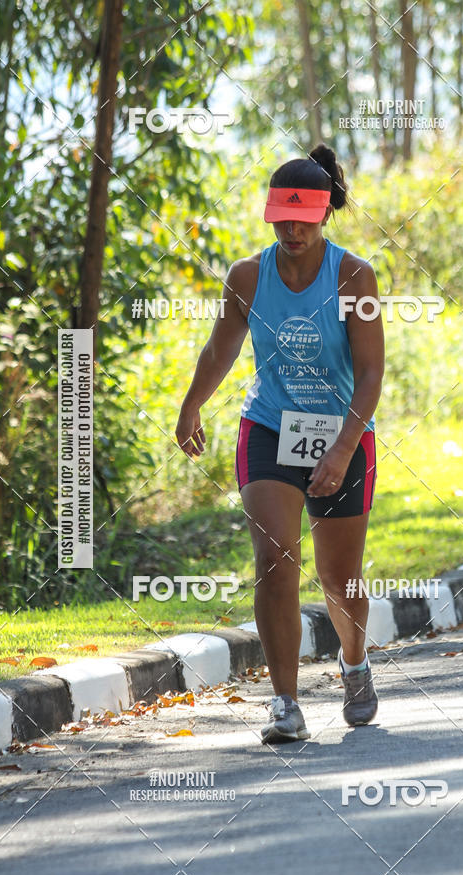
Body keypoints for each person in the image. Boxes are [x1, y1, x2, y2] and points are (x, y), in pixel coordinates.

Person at [175, 143, 385, 743]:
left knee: (340, 581)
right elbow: (220, 349)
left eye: (304, 219)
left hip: (342, 431)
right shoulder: (247, 276)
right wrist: (191, 404)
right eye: (282, 218)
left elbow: (371, 372)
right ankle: (286, 703)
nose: (292, 230)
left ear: (325, 213)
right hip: (268, 428)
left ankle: (354, 662)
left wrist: (342, 449)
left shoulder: (353, 276)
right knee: (274, 561)